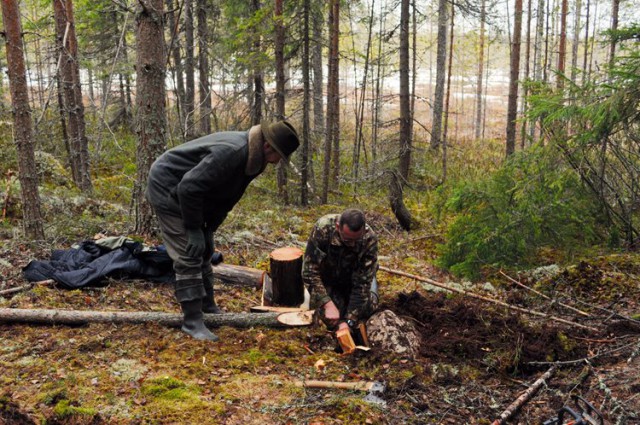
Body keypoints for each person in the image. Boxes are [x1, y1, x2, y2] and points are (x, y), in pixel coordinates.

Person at [147, 121, 300, 341]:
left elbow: (227, 198)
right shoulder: (232, 153)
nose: (278, 163)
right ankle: (192, 322)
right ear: (268, 147)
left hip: (194, 197)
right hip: (169, 188)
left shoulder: (254, 159)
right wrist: (193, 229)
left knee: (205, 250)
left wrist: (209, 229)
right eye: (280, 156)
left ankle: (208, 308)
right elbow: (188, 187)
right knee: (189, 253)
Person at [302, 208, 379, 340]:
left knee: (370, 307)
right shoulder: (323, 229)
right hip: (328, 280)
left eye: (357, 240)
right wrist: (327, 303)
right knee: (326, 315)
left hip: (352, 282)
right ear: (338, 227)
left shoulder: (369, 239)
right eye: (348, 240)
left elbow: (362, 285)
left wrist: (350, 320)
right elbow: (309, 272)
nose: (352, 245)